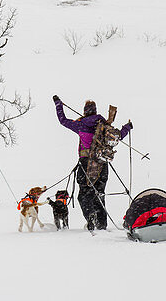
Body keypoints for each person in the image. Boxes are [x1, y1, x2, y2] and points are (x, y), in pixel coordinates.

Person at [53, 96, 132, 230]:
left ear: (85, 111)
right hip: (102, 163)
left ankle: (91, 218)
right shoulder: (104, 125)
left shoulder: (80, 124)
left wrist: (58, 104)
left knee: (84, 194)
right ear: (95, 111)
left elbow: (63, 120)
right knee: (99, 194)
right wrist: (127, 127)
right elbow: (117, 136)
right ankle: (101, 224)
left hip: (86, 165)